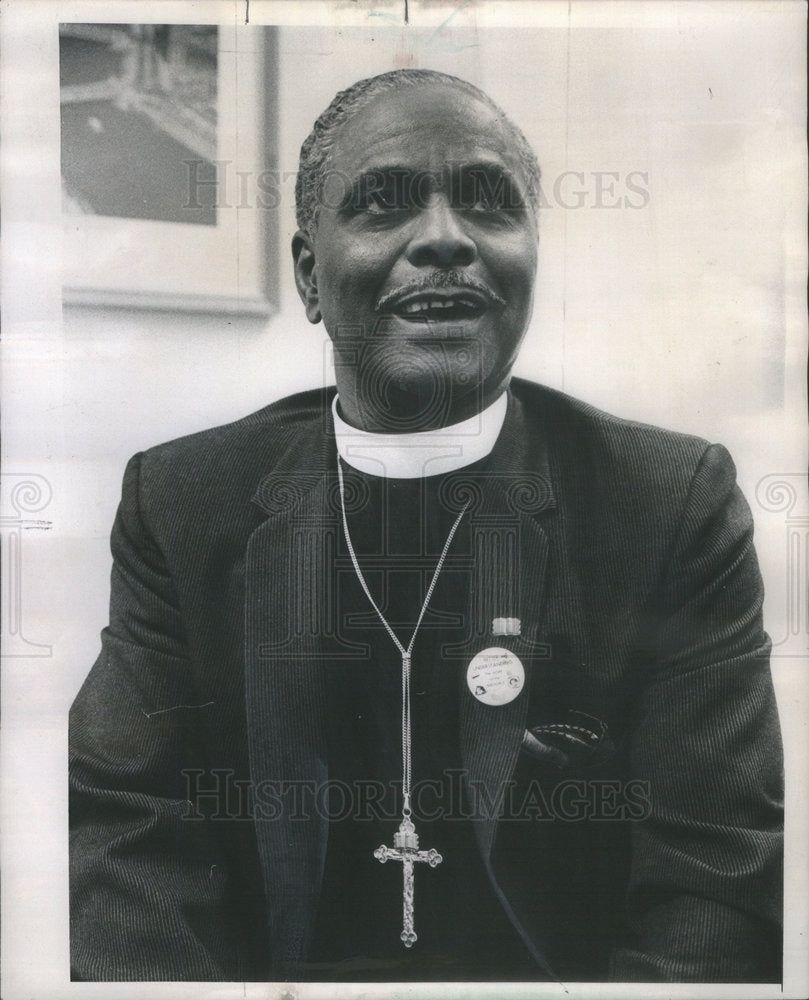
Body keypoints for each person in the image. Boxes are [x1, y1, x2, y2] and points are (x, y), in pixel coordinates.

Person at [69, 68, 783, 984]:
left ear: (531, 254)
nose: (445, 240)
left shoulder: (667, 504)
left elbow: (718, 872)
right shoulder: (181, 502)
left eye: (490, 206)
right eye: (382, 206)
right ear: (308, 276)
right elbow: (128, 831)